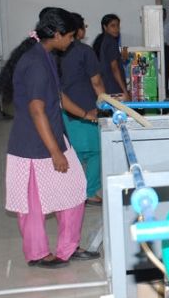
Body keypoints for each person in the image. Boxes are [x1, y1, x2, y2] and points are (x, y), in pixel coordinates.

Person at [0, 8, 100, 269]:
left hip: (53, 138)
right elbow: (36, 109)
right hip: (32, 145)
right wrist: (56, 152)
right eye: (69, 36)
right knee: (32, 204)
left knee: (76, 191)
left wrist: (87, 115)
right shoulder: (34, 63)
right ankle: (38, 254)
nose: (72, 41)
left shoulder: (47, 56)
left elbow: (59, 97)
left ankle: (68, 247)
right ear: (56, 34)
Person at [61, 12, 106, 206]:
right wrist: (104, 104)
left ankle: (73, 191)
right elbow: (96, 82)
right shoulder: (84, 51)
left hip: (63, 109)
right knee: (96, 151)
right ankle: (87, 191)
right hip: (86, 109)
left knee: (73, 151)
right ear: (78, 30)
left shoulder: (53, 51)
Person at [92, 14, 130, 101]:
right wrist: (125, 91)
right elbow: (114, 68)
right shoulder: (111, 41)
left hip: (104, 85)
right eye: (113, 26)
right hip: (113, 86)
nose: (116, 29)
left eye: (118, 26)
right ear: (105, 27)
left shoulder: (100, 40)